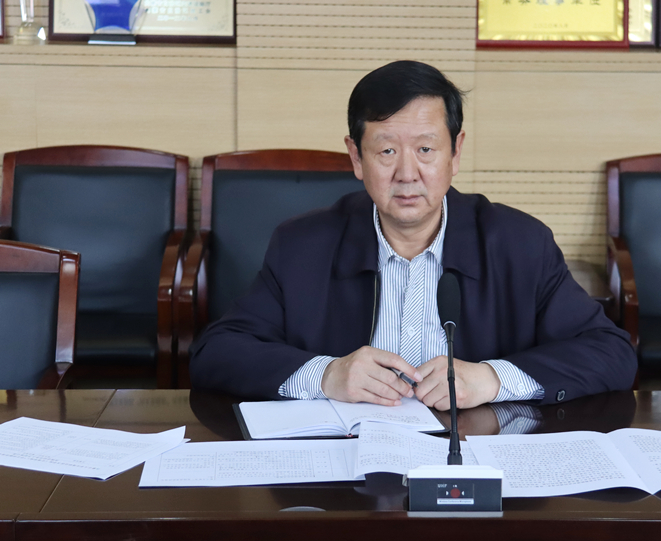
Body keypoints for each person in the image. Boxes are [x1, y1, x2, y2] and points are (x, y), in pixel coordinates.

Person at [190, 60, 637, 410]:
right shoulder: (303, 246)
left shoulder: (519, 244)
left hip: (473, 461)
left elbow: (611, 353)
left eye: (425, 149)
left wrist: (492, 379)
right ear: (356, 157)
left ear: (455, 152)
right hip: (347, 469)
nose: (407, 173)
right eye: (386, 150)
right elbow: (217, 351)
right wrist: (326, 375)